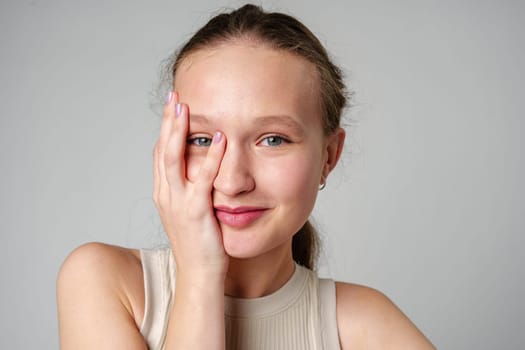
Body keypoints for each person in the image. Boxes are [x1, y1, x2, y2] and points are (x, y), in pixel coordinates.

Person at [57, 4, 435, 349]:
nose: (232, 181)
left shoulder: (363, 324)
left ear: (329, 156)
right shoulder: (104, 282)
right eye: (201, 139)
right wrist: (201, 273)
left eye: (272, 139)